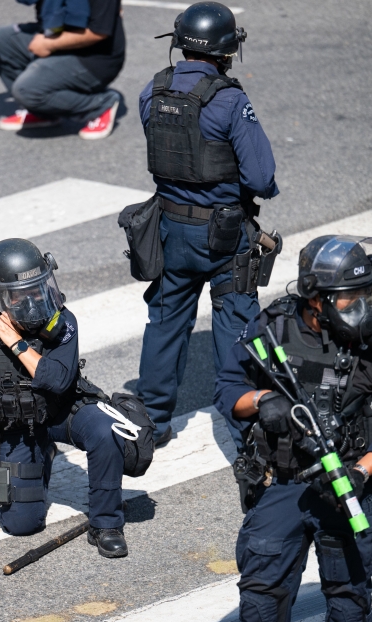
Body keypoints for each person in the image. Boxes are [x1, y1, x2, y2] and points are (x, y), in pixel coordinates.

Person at [213, 236, 372, 622]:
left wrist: (362, 471)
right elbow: (227, 387)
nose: (361, 307)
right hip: (282, 485)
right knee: (260, 610)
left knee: (349, 612)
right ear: (314, 298)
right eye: (349, 297)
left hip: (347, 487)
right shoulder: (271, 331)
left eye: (366, 293)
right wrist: (261, 400)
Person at [135, 1, 280, 447]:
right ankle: (247, 432)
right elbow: (261, 178)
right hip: (222, 236)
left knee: (165, 323)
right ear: (226, 51)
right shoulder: (230, 100)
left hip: (167, 230)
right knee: (236, 326)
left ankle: (152, 422)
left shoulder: (152, 91)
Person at [0, 238, 133, 556]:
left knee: (105, 430)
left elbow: (58, 380)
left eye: (38, 289)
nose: (32, 301)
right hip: (16, 425)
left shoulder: (61, 320)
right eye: (20, 295)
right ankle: (41, 453)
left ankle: (107, 524)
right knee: (21, 524)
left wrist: (16, 344)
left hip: (62, 410)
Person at [0, 0, 125, 140]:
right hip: (57, 32)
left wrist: (48, 44)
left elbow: (99, 32)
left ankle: (99, 105)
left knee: (26, 90)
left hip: (96, 58)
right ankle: (42, 112)